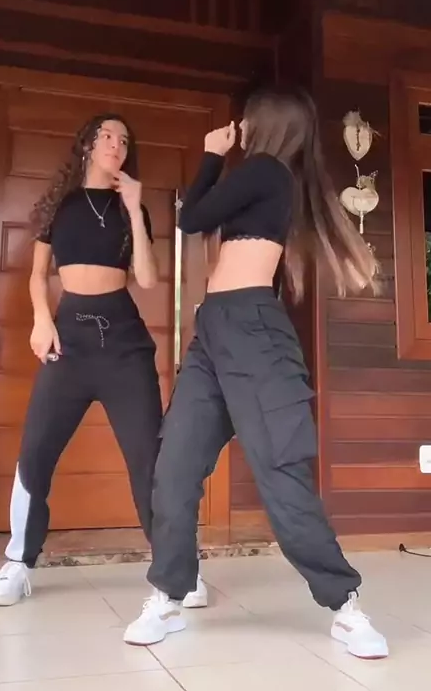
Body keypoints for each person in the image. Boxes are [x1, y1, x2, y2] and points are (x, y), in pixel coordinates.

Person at [124, 87, 389, 660]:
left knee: (281, 471)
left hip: (253, 334)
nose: (239, 127)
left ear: (265, 124)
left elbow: (192, 216)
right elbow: (200, 219)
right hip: (214, 333)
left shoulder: (267, 171)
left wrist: (211, 154)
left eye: (244, 120)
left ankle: (345, 606)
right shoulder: (266, 178)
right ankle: (168, 595)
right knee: (174, 467)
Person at [0, 113, 206, 611]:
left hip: (124, 343)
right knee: (36, 450)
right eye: (107, 136)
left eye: (124, 140)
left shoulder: (134, 208)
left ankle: (178, 568)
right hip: (68, 341)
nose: (116, 145)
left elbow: (146, 279)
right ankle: (18, 562)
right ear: (87, 144)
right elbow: (37, 275)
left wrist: (134, 210)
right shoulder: (59, 206)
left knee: (148, 459)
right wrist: (42, 320)